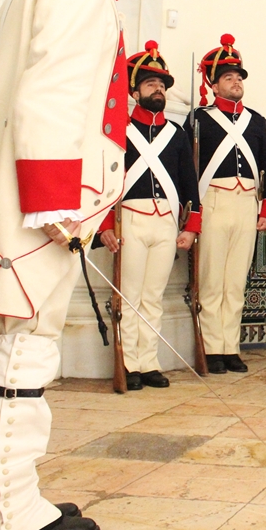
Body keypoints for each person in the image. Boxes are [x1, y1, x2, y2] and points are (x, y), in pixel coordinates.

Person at [0, 0, 156, 530]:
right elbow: (50, 96)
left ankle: (5, 504)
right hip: (35, 206)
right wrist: (55, 201)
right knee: (20, 356)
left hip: (7, 201)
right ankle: (14, 517)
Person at [96, 42, 201, 391]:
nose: (158, 89)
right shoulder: (120, 131)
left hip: (165, 223)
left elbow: (190, 184)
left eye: (161, 85)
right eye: (150, 84)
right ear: (135, 90)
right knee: (129, 295)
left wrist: (191, 227)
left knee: (153, 296)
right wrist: (104, 225)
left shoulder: (177, 135)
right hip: (131, 220)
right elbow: (104, 183)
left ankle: (149, 361)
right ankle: (129, 365)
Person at [187, 35, 266, 375]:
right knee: (211, 281)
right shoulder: (200, 119)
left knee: (235, 282)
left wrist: (265, 208)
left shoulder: (255, 120)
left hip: (245, 204)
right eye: (228, 77)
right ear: (214, 84)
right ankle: (211, 349)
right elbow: (187, 170)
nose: (236, 82)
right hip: (213, 202)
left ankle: (230, 347)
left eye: (239, 77)